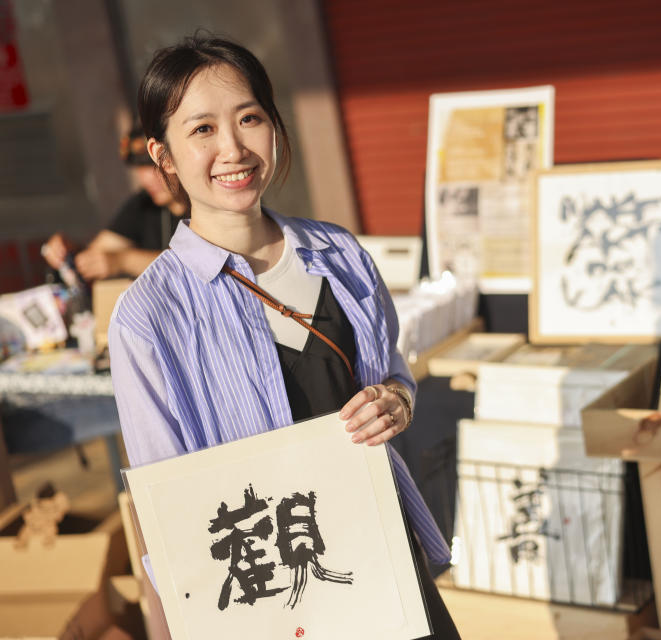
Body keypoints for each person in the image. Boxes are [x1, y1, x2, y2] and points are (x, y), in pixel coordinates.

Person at [108, 36, 459, 638]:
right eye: (201, 130)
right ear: (162, 155)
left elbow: (390, 375)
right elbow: (167, 508)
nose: (233, 148)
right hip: (272, 605)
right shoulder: (149, 318)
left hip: (385, 558)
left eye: (249, 118)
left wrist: (397, 401)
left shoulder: (340, 254)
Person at [41, 126, 187, 281]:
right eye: (139, 168)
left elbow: (192, 267)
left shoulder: (202, 202)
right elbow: (99, 252)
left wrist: (122, 261)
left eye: (153, 165)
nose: (146, 179)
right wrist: (67, 252)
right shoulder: (142, 205)